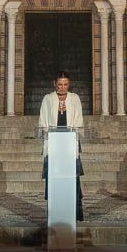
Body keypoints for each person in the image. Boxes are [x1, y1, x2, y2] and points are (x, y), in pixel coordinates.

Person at [38, 72, 85, 220]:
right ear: (55, 84)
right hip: (54, 145)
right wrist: (48, 133)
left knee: (72, 179)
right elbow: (43, 121)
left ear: (69, 84)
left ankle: (74, 212)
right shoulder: (48, 99)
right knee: (53, 179)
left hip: (70, 145)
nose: (63, 87)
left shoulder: (75, 98)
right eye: (60, 84)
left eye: (65, 84)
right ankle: (55, 211)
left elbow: (79, 120)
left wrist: (74, 133)